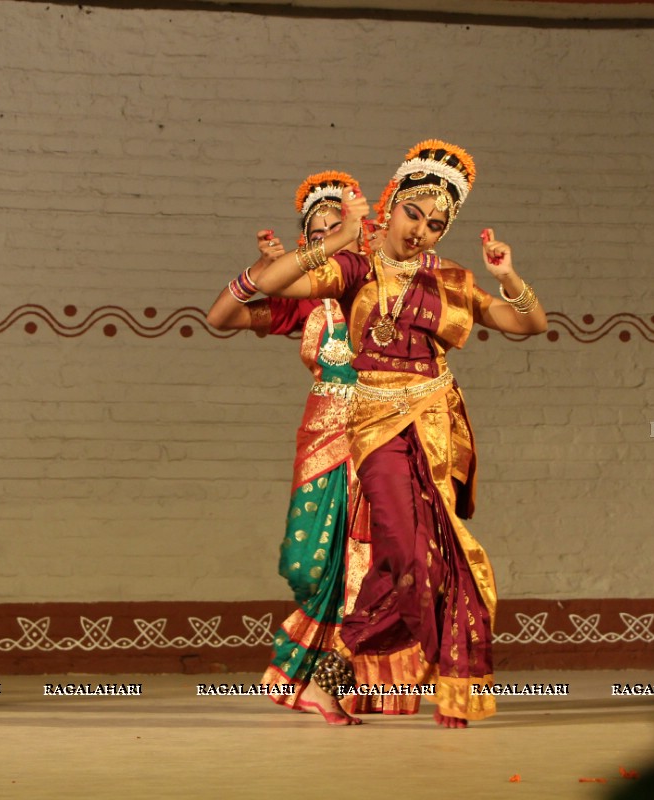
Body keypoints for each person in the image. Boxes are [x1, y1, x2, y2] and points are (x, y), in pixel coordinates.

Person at [249, 140, 548, 728]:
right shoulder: (356, 269)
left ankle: (424, 681)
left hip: (435, 425)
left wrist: (508, 275)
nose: (421, 232)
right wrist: (338, 237)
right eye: (414, 215)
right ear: (389, 208)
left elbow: (527, 323)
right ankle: (348, 668)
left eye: (436, 225)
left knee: (436, 559)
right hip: (375, 427)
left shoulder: (451, 280)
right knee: (408, 554)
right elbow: (275, 283)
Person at [207, 172, 414, 725]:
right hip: (323, 439)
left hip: (379, 434)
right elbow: (220, 317)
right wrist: (263, 271)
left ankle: (341, 681)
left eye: (344, 228)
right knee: (314, 563)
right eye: (320, 233)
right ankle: (317, 674)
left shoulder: (382, 293)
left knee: (371, 561)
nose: (334, 237)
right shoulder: (306, 306)